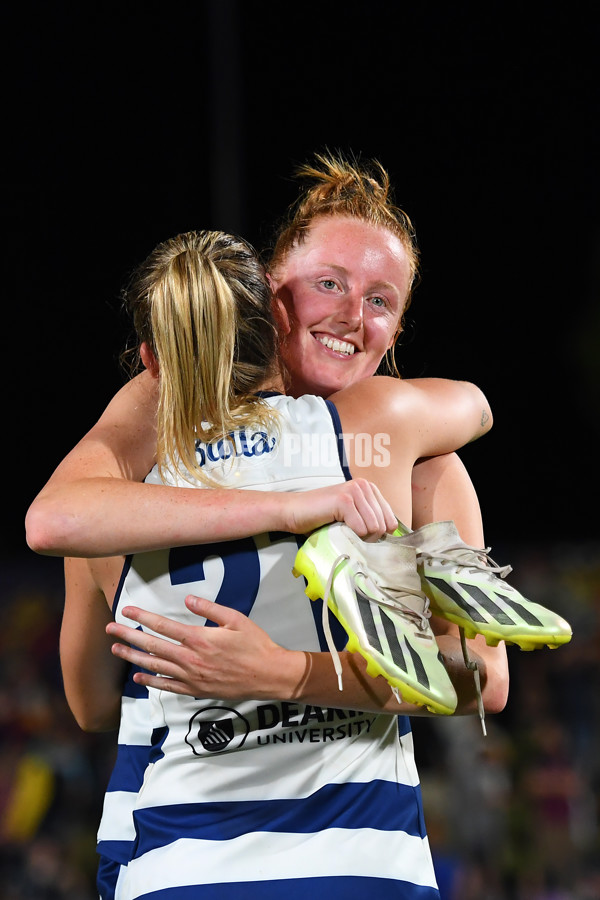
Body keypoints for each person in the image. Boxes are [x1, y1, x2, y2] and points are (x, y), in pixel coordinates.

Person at [27, 154, 513, 898]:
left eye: (381, 300)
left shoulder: (134, 469)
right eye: (330, 284)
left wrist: (269, 676)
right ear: (269, 288)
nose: (354, 315)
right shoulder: (412, 453)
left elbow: (92, 703)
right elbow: (476, 676)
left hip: (172, 859)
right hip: (362, 863)